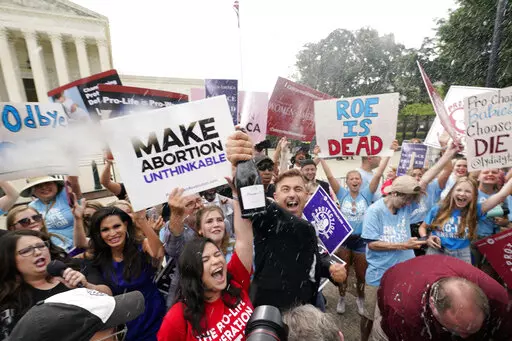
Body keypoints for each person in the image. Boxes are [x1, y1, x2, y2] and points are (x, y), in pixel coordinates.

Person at [225, 131, 346, 310]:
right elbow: (254, 202)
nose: (292, 194)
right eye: (286, 189)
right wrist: (242, 162)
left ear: (306, 195)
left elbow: (311, 260)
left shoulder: (310, 224)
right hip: (272, 312)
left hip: (308, 306)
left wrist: (331, 269)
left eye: (298, 188)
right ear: (275, 196)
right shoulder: (265, 218)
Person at [360, 141, 461, 341]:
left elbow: (424, 180)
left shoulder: (405, 206)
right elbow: (372, 244)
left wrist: (448, 153)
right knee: (369, 316)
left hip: (402, 273)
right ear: (394, 193)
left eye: (411, 200)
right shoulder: (374, 211)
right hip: (378, 274)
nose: (409, 204)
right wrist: (403, 245)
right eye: (406, 199)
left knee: (394, 315)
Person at [157, 185, 254, 341]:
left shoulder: (234, 282)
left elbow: (244, 239)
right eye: (205, 259)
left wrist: (237, 192)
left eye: (217, 254)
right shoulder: (178, 318)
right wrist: (176, 214)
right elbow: (173, 246)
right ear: (193, 269)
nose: (215, 260)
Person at [320, 141, 397, 315]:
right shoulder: (342, 193)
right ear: (347, 182)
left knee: (362, 275)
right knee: (343, 272)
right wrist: (321, 157)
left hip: (362, 240)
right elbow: (330, 176)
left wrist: (389, 152)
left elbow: (378, 174)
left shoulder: (367, 193)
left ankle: (360, 298)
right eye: (351, 179)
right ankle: (341, 298)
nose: (354, 180)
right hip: (345, 240)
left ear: (361, 182)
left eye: (357, 178)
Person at [373, 255, 512, 341]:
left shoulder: (497, 297)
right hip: (395, 295)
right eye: (457, 331)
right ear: (433, 306)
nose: (465, 337)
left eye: (471, 330)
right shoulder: (405, 314)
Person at [0, 230, 111, 334]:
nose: (38, 252)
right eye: (26, 250)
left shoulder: (76, 267)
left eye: (41, 246)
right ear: (10, 259)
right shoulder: (10, 299)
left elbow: (109, 296)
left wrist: (86, 285)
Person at [88, 207, 166, 341]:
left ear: (125, 225)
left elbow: (158, 252)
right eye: (105, 230)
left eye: (116, 226)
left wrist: (142, 221)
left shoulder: (142, 245)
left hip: (154, 315)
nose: (112, 233)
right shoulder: (98, 257)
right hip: (126, 322)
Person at [419, 175, 512, 264]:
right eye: (459, 190)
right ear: (452, 192)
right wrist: (426, 238)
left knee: (461, 280)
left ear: (474, 196)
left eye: (468, 191)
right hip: (437, 250)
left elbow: (501, 195)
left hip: (462, 253)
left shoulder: (477, 210)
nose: (462, 194)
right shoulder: (438, 208)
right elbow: (422, 227)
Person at [19, 175, 81, 252]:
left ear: (56, 185)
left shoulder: (66, 195)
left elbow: (74, 181)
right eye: (38, 185)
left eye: (48, 183)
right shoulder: (32, 206)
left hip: (76, 248)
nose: (44, 187)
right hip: (50, 250)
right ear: (32, 190)